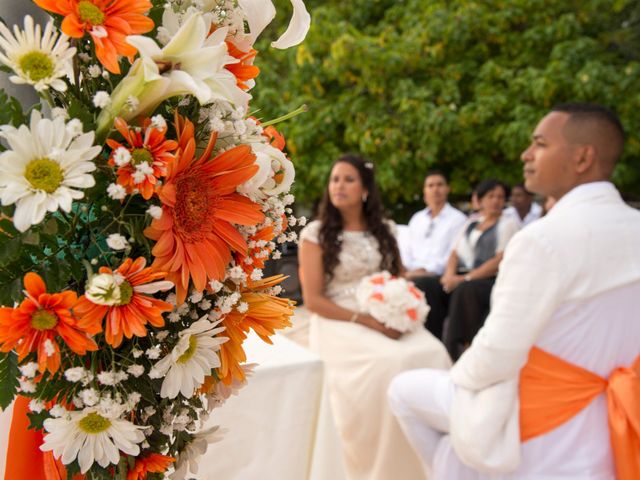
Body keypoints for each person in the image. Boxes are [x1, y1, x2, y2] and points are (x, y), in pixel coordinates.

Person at [388, 103, 640, 479]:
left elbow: (496, 356)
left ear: (582, 157)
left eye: (539, 143)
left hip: (541, 421)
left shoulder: (541, 239)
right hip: (617, 410)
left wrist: (459, 376)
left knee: (403, 390)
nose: (526, 154)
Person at [298, 154, 451, 480]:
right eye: (335, 179)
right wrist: (366, 320)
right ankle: (385, 468)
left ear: (365, 188)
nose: (339, 185)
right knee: (390, 364)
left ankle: (437, 462)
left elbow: (398, 277)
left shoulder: (386, 230)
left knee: (434, 352)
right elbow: (313, 301)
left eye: (348, 179)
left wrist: (400, 308)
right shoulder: (316, 233)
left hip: (384, 310)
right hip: (340, 319)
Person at [415, 179, 519, 352]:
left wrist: (465, 278)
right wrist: (448, 276)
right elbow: (454, 253)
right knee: (426, 284)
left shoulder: (508, 224)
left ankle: (453, 347)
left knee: (466, 289)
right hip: (461, 277)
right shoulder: (470, 224)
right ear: (480, 199)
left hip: (486, 280)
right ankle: (430, 341)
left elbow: (499, 260)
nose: (496, 201)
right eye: (491, 196)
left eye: (500, 197)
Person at [403, 170, 467, 279]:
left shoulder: (458, 219)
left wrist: (426, 270)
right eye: (430, 186)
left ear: (447, 189)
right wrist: (412, 269)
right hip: (411, 273)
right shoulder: (417, 219)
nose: (435, 189)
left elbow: (454, 254)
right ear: (425, 191)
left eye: (440, 185)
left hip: (438, 276)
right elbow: (407, 250)